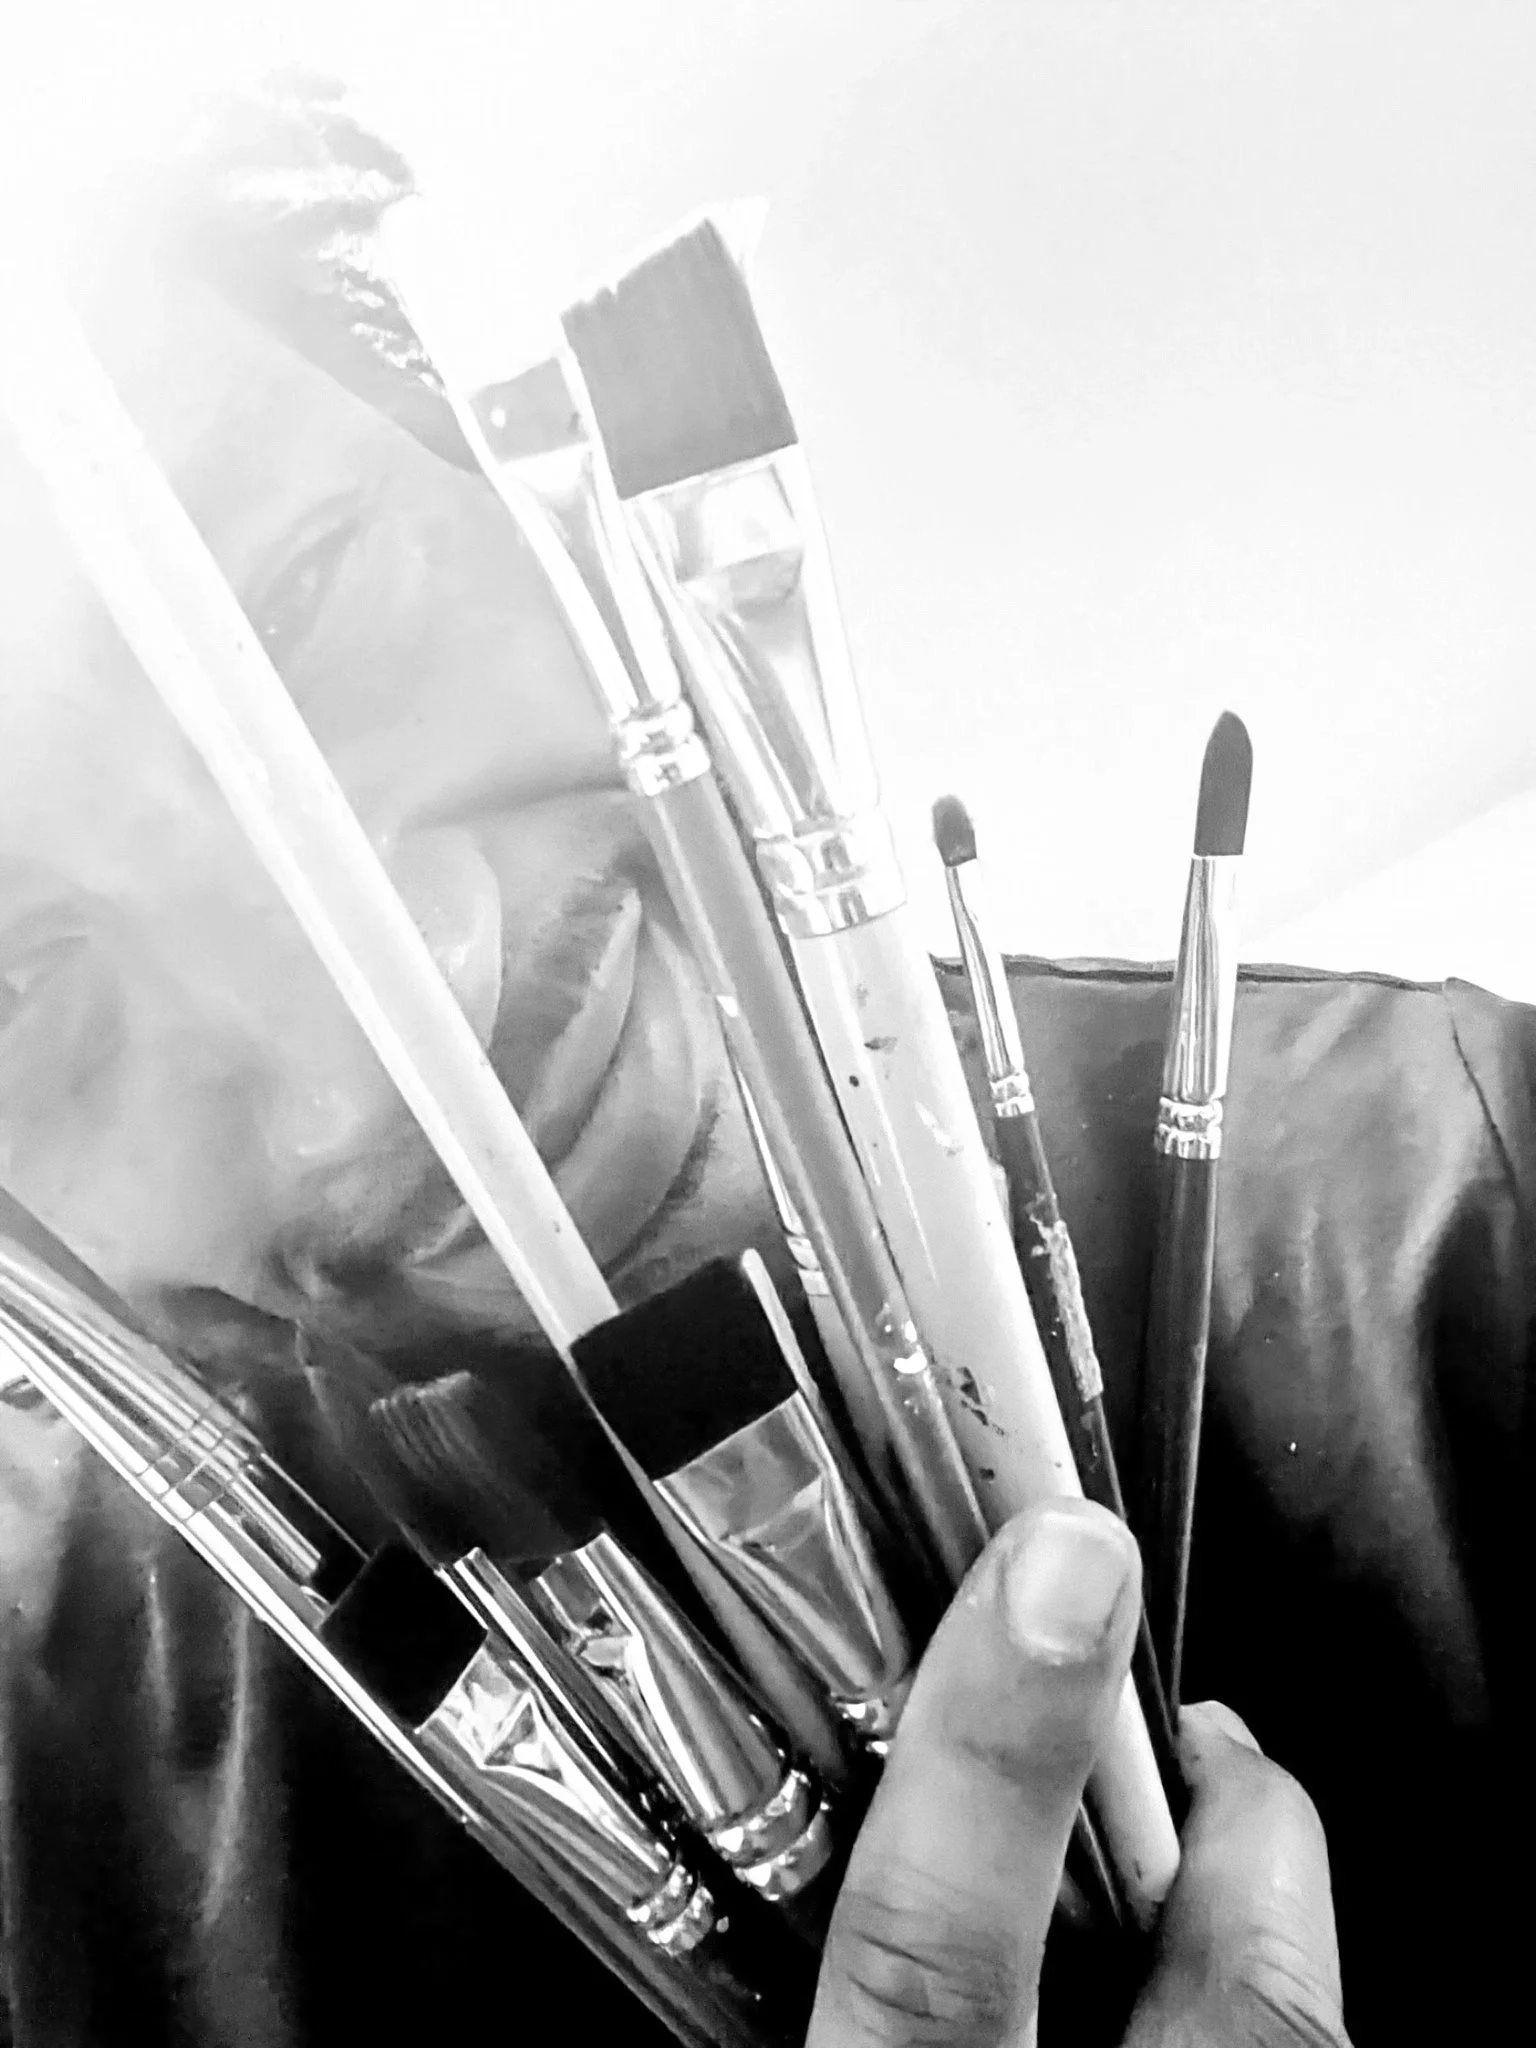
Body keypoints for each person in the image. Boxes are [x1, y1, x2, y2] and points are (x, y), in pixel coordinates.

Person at [0, 73, 1523, 2044]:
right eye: (20, 982)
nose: (385, 1042)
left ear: (498, 465)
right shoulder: (43, 1815)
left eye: (294, 598)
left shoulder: (1475, 1198)